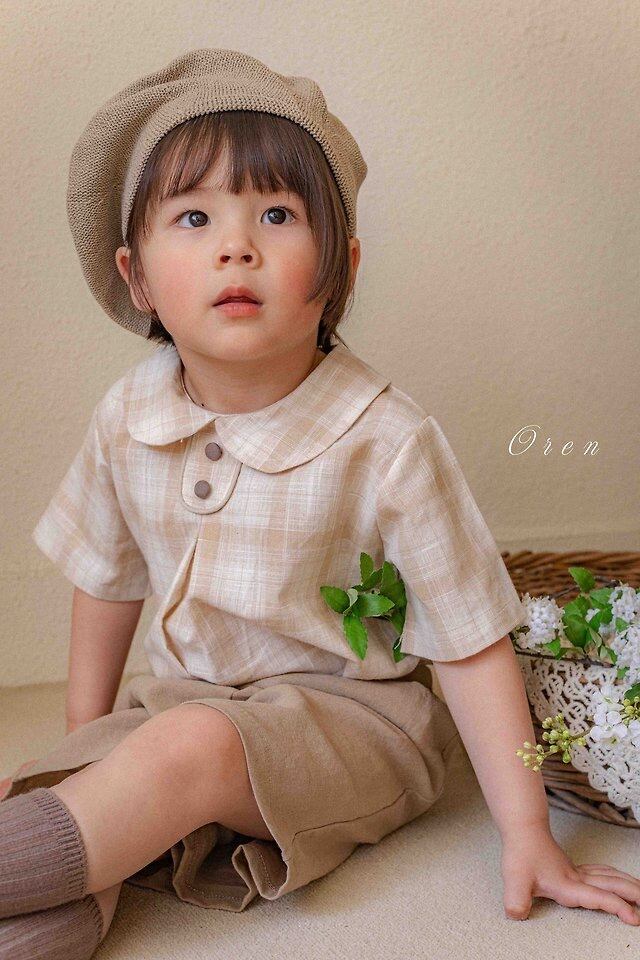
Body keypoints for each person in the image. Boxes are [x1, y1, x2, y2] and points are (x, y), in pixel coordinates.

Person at [2, 48, 639, 960]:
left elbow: (469, 636)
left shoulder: (385, 438)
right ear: (136, 278)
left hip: (352, 727)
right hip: (180, 710)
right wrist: (88, 749)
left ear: (339, 269)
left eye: (276, 214)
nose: (236, 246)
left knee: (183, 752)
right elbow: (106, 580)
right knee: (68, 792)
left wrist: (530, 833)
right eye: (193, 218)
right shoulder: (128, 416)